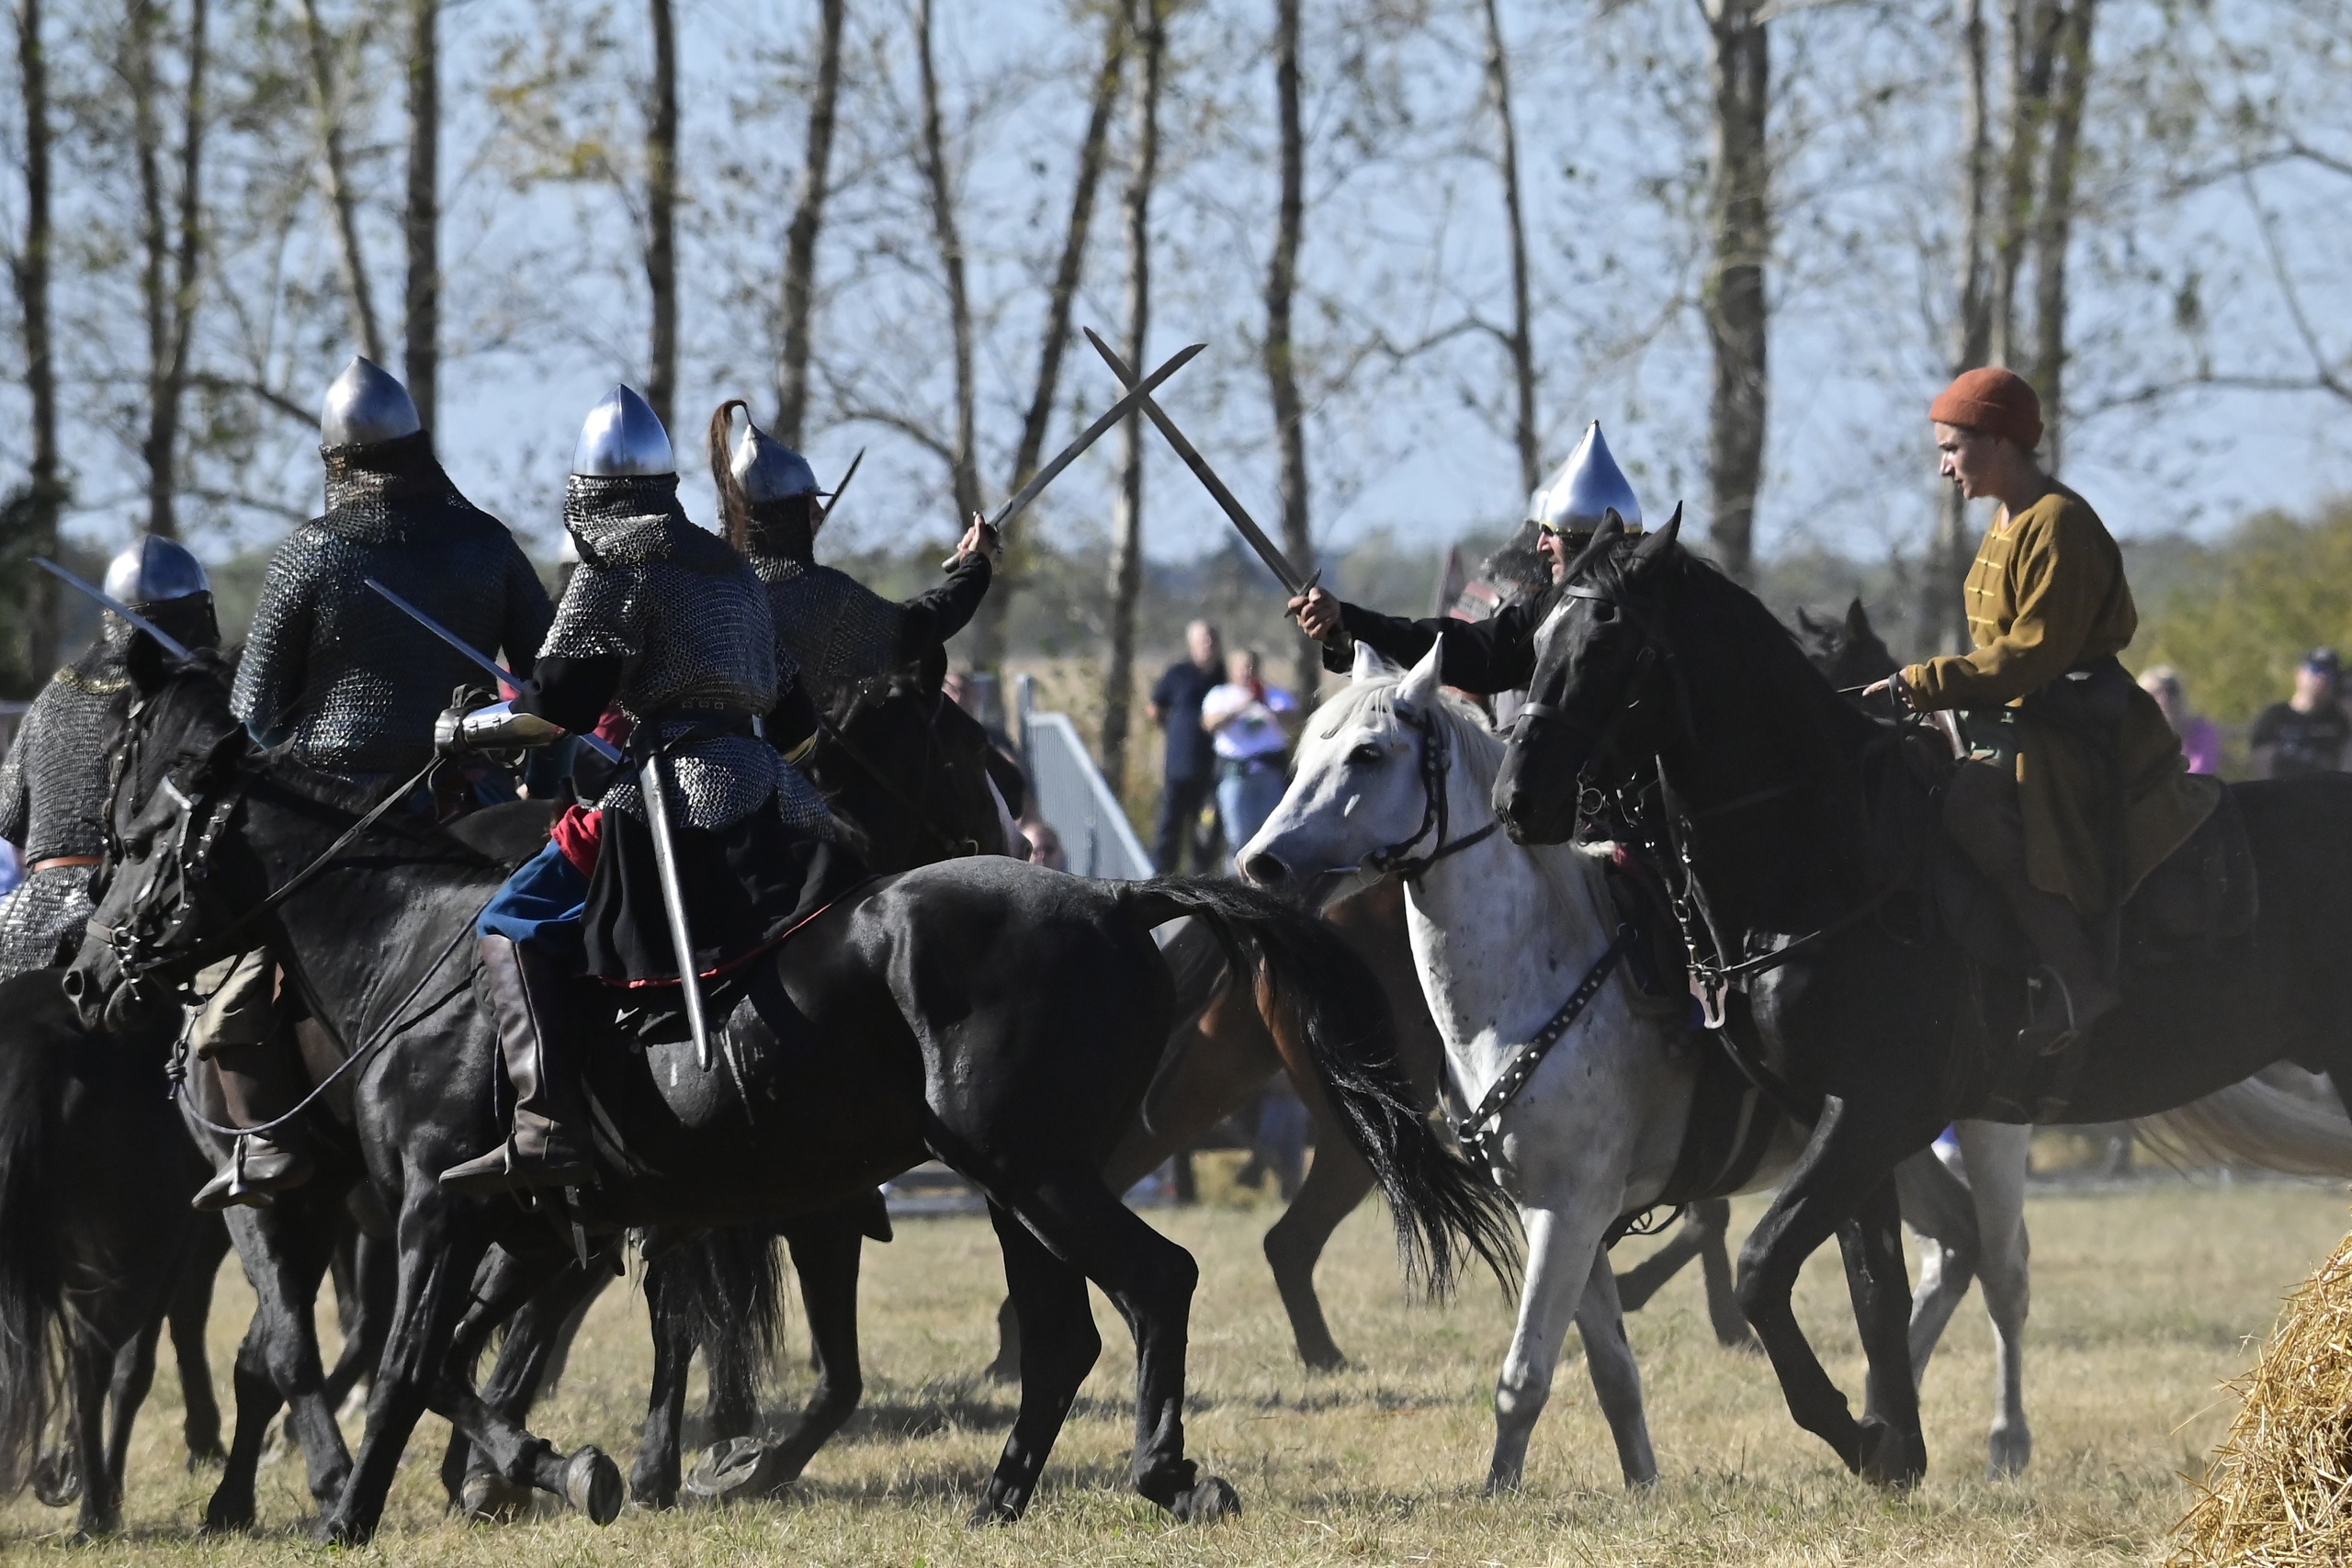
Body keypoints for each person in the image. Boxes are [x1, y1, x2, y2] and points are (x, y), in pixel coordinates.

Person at [441, 386, 865, 1195]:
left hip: (669, 789)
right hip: (774, 791)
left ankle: (543, 1124)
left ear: (589, 494)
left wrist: (461, 733)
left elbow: (554, 709)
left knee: (511, 917)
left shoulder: (617, 563)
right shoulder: (731, 569)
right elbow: (800, 730)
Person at [1862, 367, 2217, 1118]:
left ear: (2000, 441)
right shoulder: (2004, 520)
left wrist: (1925, 682)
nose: (1943, 465)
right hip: (2025, 714)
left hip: (2080, 727)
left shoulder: (2059, 523)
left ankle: (2077, 977)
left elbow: (2031, 656)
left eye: (1954, 447)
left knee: (1968, 804)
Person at [0, 537, 219, 982]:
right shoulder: (191, 694)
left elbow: (9, 815)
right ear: (201, 614)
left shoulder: (54, 694)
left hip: (24, 925)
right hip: (125, 914)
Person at [1289, 421, 1643, 689]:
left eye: (1553, 534)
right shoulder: (1552, 609)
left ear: (1588, 540)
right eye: (1542, 532)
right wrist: (1347, 623)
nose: (1539, 547)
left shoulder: (1675, 601)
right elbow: (1466, 649)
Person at [717, 403, 993, 716]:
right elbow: (915, 627)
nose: (820, 513)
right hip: (777, 761)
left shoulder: (709, 587)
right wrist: (975, 565)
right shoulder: (815, 594)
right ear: (783, 515)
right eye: (807, 506)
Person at [1201, 650, 1300, 863]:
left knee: (1272, 834)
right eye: (1242, 666)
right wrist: (1242, 706)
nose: (1247, 671)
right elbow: (1210, 724)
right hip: (1235, 775)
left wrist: (1264, 704)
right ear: (1232, 669)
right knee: (1238, 836)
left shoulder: (1275, 696)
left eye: (1251, 666)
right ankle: (1236, 883)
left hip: (1270, 774)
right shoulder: (1220, 695)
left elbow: (1294, 721)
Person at [1148, 621, 1224, 874]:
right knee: (1169, 828)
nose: (1208, 644)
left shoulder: (1224, 676)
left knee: (1206, 830)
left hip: (1213, 771)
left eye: (1212, 638)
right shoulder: (1178, 674)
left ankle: (1200, 882)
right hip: (1179, 768)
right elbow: (1154, 708)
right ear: (1192, 644)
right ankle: (1161, 881)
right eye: (1203, 639)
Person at [2248, 649, 2349, 779]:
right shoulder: (2274, 717)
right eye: (2316, 669)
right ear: (2299, 674)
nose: (2322, 678)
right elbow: (2261, 763)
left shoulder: (2338, 720)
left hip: (2323, 793)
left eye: (2330, 674)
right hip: (2281, 792)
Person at [2140, 666, 2223, 776]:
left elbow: (2202, 774)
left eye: (2171, 690)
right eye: (2156, 692)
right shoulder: (2137, 739)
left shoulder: (2202, 731)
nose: (2165, 698)